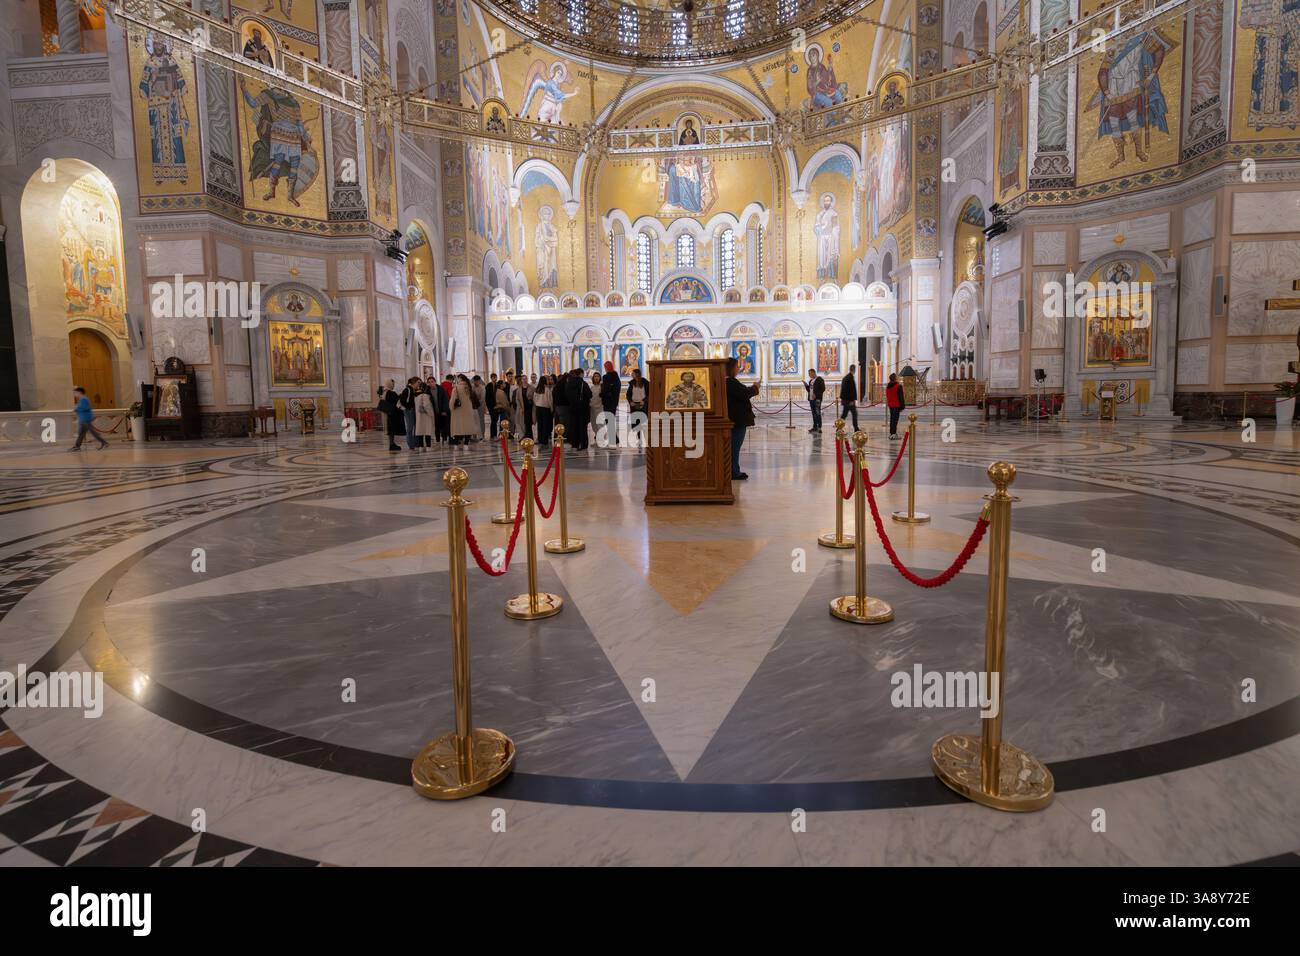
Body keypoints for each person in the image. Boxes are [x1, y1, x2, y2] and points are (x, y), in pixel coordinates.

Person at [725, 357, 760, 480]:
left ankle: (734, 470)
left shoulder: (727, 382)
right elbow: (744, 393)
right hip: (737, 420)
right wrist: (755, 387)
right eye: (736, 367)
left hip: (734, 419)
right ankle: (734, 472)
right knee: (734, 447)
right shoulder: (730, 382)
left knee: (733, 447)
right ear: (730, 368)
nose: (738, 369)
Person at [69, 386, 109, 451]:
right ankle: (77, 446)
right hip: (83, 419)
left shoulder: (84, 399)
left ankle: (104, 443)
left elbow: (86, 408)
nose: (74, 394)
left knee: (93, 433)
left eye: (75, 393)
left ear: (79, 392)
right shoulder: (82, 399)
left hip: (85, 419)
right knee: (81, 434)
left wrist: (77, 409)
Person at [565, 369, 590, 450]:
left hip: (572, 408)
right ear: (581, 374)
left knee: (574, 426)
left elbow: (567, 395)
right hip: (582, 408)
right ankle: (583, 444)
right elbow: (589, 394)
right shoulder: (582, 383)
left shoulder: (569, 383)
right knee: (582, 427)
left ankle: (574, 444)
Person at [450, 374, 478, 444]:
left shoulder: (456, 388)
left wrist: (451, 407)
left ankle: (456, 445)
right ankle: (466, 444)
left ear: (460, 379)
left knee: (457, 428)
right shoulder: (469, 387)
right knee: (468, 426)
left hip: (458, 410)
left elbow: (452, 400)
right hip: (468, 410)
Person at [378, 379, 404, 451]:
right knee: (391, 429)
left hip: (386, 413)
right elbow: (396, 401)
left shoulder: (384, 392)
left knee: (390, 429)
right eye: (393, 384)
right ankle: (391, 444)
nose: (393, 385)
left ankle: (392, 444)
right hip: (391, 414)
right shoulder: (390, 393)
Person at [600, 360, 622, 445]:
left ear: (606, 368)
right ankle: (614, 438)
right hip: (614, 401)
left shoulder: (606, 377)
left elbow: (605, 390)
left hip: (607, 402)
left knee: (608, 420)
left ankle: (614, 438)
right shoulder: (616, 377)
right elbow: (617, 389)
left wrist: (601, 394)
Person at [399, 377, 419, 451]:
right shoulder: (407, 389)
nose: (418, 385)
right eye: (418, 383)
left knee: (415, 427)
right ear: (414, 382)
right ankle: (411, 445)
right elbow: (402, 400)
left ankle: (415, 443)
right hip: (409, 411)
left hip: (412, 410)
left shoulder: (413, 390)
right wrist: (409, 407)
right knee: (410, 428)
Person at [886, 372, 907, 440]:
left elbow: (888, 396)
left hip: (891, 405)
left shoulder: (888, 386)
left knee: (892, 419)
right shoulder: (898, 386)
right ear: (895, 378)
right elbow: (901, 397)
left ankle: (892, 433)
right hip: (896, 405)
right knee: (895, 420)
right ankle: (894, 434)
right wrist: (902, 406)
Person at [414, 382, 435, 450]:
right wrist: (431, 414)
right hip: (426, 416)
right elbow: (427, 406)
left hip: (419, 416)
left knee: (420, 431)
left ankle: (420, 447)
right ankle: (428, 447)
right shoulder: (425, 396)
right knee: (427, 431)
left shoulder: (416, 396)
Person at [553, 368, 571, 444]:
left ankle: (557, 437)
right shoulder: (565, 385)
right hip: (564, 406)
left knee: (559, 422)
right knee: (564, 423)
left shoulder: (557, 385)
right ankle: (563, 438)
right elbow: (567, 395)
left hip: (558, 406)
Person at [805, 368, 826, 433]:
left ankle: (819, 427)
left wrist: (816, 395)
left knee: (817, 413)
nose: (809, 375)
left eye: (810, 373)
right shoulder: (811, 381)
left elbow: (823, 389)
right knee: (813, 413)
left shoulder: (819, 379)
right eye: (809, 374)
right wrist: (806, 385)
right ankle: (815, 427)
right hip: (811, 399)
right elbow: (809, 390)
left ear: (814, 372)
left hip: (817, 399)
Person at [534, 376, 553, 446]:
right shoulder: (547, 389)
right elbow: (550, 400)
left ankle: (540, 439)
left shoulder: (537, 389)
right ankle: (544, 440)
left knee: (540, 424)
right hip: (545, 408)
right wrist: (551, 408)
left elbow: (534, 399)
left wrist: (537, 404)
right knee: (545, 424)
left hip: (538, 408)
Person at [432, 376, 452, 443]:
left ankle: (442, 439)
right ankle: (442, 439)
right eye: (429, 382)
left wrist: (444, 410)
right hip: (439, 410)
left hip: (440, 410)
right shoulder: (428, 390)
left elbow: (444, 399)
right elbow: (450, 395)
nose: (431, 383)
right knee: (442, 425)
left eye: (432, 381)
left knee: (441, 425)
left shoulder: (441, 387)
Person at [840, 363, 859, 431]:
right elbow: (850, 390)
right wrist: (852, 400)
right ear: (854, 369)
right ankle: (856, 428)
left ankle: (839, 427)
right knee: (854, 414)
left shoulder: (846, 377)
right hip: (849, 401)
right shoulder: (850, 378)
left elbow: (844, 390)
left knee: (844, 415)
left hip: (846, 400)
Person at [589, 371, 605, 447]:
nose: (596, 378)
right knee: (594, 424)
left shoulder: (602, 387)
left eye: (597, 376)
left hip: (600, 408)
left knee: (600, 424)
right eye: (595, 376)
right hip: (592, 408)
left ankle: (601, 440)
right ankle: (597, 438)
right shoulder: (591, 387)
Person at [471, 375, 486, 440]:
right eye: (475, 381)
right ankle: (474, 435)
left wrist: (477, 403)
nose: (476, 382)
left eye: (477, 381)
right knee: (473, 420)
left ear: (479, 381)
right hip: (473, 406)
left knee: (481, 420)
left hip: (480, 406)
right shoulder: (472, 387)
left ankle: (482, 435)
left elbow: (482, 398)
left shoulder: (482, 388)